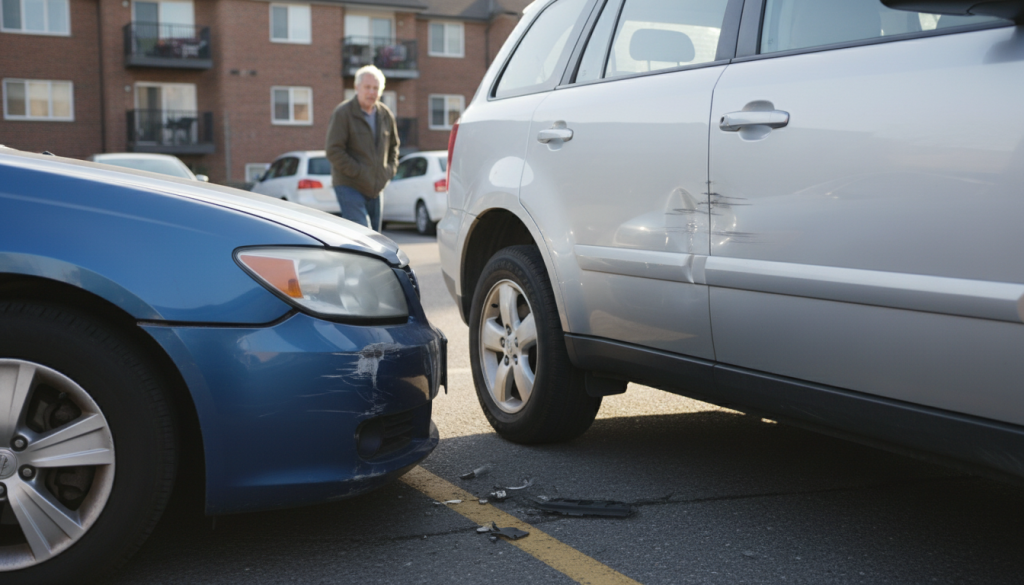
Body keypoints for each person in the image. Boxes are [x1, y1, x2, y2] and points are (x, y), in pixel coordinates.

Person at [325, 65, 400, 231]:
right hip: (349, 185)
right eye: (367, 87)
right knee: (362, 235)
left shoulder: (385, 114)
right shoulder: (343, 113)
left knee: (375, 239)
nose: (372, 92)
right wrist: (359, 172)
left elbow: (394, 148)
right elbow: (333, 150)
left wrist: (387, 172)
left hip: (376, 187)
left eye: (376, 88)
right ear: (356, 87)